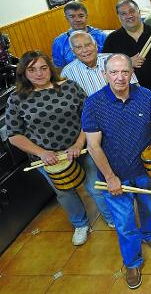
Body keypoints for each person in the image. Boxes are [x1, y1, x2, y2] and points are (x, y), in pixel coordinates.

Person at [82, 54, 151, 289]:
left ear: (131, 73)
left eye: (125, 72)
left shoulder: (145, 95)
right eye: (114, 72)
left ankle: (150, 234)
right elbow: (93, 146)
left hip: (143, 171)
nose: (120, 77)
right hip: (114, 176)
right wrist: (110, 177)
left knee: (149, 207)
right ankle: (132, 262)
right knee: (125, 222)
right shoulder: (93, 104)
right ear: (104, 74)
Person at [7, 51, 114, 246]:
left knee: (96, 186)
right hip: (48, 159)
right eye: (32, 70)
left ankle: (111, 217)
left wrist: (79, 143)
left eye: (43, 68)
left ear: (50, 68)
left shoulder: (70, 87)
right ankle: (80, 224)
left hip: (80, 149)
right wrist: (42, 153)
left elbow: (89, 118)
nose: (39, 73)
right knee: (65, 192)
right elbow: (14, 135)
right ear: (24, 73)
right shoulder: (16, 99)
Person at [104, 0, 151, 94]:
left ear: (139, 12)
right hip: (129, 95)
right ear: (119, 17)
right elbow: (106, 68)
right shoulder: (111, 40)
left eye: (132, 11)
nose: (129, 16)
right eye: (123, 14)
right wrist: (127, 63)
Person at [61, 31, 138, 96]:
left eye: (88, 45)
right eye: (78, 47)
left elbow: (136, 89)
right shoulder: (67, 73)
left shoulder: (117, 60)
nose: (84, 50)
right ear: (73, 51)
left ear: (96, 45)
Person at [52, 1, 108, 68]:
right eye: (72, 16)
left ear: (86, 16)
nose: (77, 20)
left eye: (81, 16)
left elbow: (111, 60)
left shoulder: (102, 36)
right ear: (66, 18)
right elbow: (59, 68)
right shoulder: (59, 42)